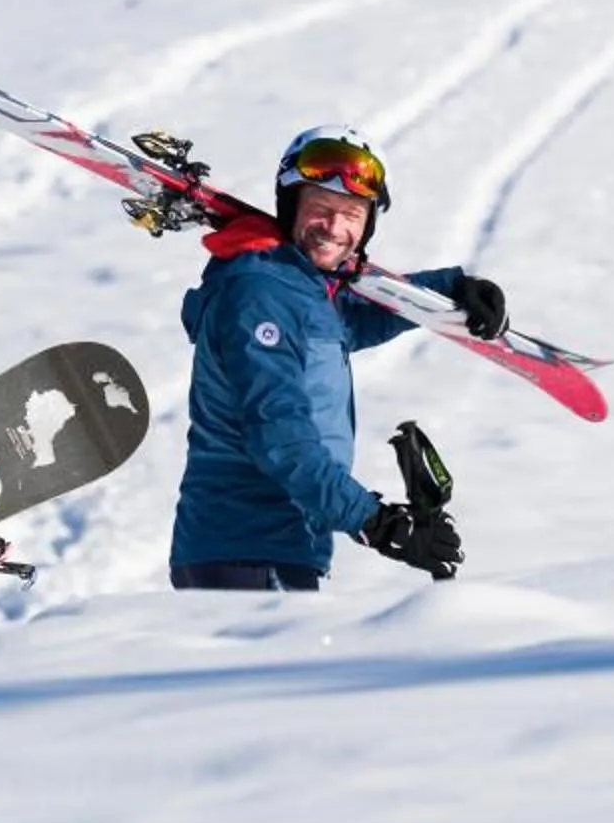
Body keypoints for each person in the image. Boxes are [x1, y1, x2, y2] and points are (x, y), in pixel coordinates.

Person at [169, 126, 502, 591]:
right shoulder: (260, 295)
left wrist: (449, 290)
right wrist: (379, 524)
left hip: (272, 550)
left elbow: (351, 323)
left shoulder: (300, 290)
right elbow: (281, 438)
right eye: (320, 209)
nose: (334, 227)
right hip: (246, 551)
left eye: (351, 215)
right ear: (291, 209)